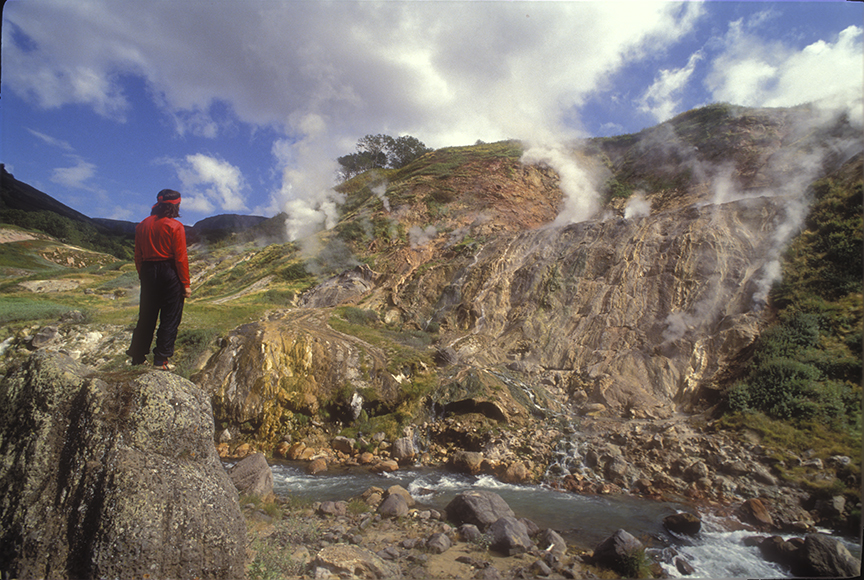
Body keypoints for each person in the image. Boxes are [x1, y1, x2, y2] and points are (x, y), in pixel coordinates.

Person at [126, 189, 191, 370]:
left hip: (148, 271)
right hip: (169, 271)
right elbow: (180, 258)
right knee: (170, 317)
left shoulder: (142, 225)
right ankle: (161, 360)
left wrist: (143, 274)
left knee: (146, 315)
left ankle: (137, 357)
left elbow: (137, 254)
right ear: (175, 205)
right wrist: (185, 284)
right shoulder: (175, 226)